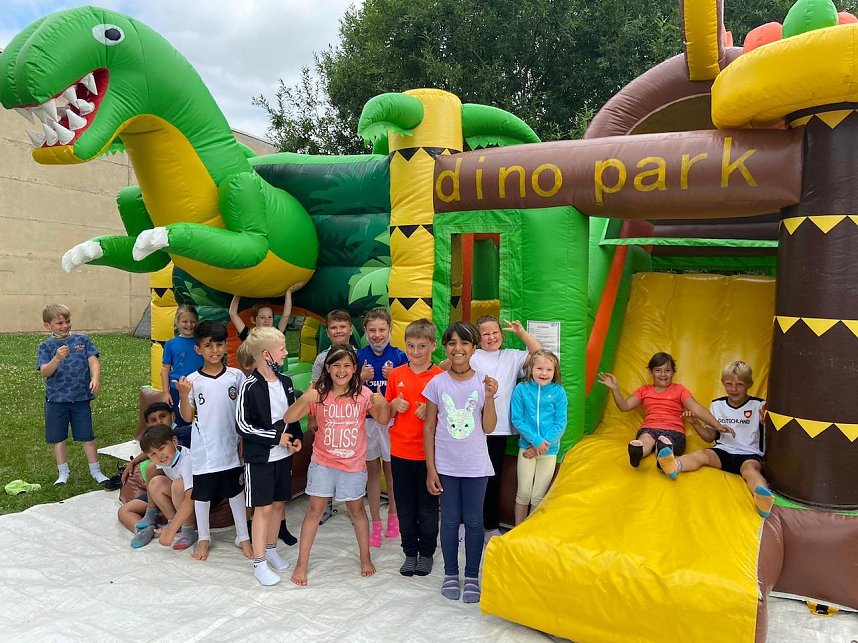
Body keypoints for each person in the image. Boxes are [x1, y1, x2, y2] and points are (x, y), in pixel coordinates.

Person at [286, 344, 387, 586]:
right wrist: (305, 399)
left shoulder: (363, 395)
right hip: (323, 463)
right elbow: (288, 418)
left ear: (355, 369)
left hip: (353, 466)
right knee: (314, 510)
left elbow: (383, 420)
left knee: (357, 511)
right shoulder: (318, 393)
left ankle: (365, 557)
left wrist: (383, 403)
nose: (342, 370)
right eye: (336, 365)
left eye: (347, 366)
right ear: (328, 368)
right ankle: (302, 563)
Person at [424, 321, 498, 604]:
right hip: (446, 467)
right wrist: (431, 468)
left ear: (473, 348)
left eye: (464, 343)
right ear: (445, 347)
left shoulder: (483, 382)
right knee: (451, 521)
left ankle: (471, 576)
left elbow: (489, 427)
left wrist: (489, 398)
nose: (458, 348)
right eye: (452, 343)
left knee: (475, 522)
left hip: (476, 466)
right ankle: (451, 574)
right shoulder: (437, 383)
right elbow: (429, 427)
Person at [656, 361, 775, 517]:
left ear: (749, 384)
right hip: (723, 451)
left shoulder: (759, 405)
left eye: (740, 384)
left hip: (749, 455)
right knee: (703, 454)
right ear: (722, 383)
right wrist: (695, 423)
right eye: (729, 384)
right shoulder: (717, 405)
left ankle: (763, 498)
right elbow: (709, 437)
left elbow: (774, 432)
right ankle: (674, 465)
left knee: (750, 470)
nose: (734, 389)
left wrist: (766, 422)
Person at [175, 320, 252, 561]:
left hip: (231, 447)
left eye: (219, 344)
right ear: (198, 349)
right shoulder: (191, 381)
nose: (215, 350)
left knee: (236, 492)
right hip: (205, 450)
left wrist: (242, 438)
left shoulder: (236, 377)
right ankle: (204, 538)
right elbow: (187, 418)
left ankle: (243, 537)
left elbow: (244, 411)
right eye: (208, 346)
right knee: (203, 495)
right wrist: (184, 394)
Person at [235, 327, 303, 586]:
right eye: (282, 348)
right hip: (260, 459)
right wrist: (275, 438)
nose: (286, 352)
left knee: (277, 505)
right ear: (266, 354)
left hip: (282, 457)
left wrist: (295, 438)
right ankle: (259, 562)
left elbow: (292, 416)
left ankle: (272, 550)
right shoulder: (248, 387)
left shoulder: (285, 383)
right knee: (262, 509)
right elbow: (243, 426)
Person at [469, 316, 542, 542]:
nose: (491, 338)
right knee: (471, 476)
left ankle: (490, 525)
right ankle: (467, 522)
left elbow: (539, 354)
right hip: (473, 427)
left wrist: (521, 333)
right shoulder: (473, 356)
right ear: (478, 339)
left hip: (499, 429)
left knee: (493, 478)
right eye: (485, 334)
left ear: (501, 334)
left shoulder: (511, 356)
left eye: (495, 333)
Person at [597, 352, 735, 468]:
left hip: (674, 431)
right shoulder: (644, 390)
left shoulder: (679, 390)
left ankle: (664, 454)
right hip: (649, 428)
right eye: (658, 370)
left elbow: (696, 408)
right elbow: (624, 406)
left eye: (667, 370)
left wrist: (717, 425)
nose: (663, 374)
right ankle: (637, 453)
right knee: (645, 439)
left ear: (673, 372)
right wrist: (615, 389)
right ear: (651, 372)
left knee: (666, 441)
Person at [384, 318, 443, 577]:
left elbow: (453, 416)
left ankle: (427, 553)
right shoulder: (397, 374)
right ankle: (409, 552)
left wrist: (432, 413)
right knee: (406, 505)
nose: (416, 352)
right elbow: (385, 411)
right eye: (411, 346)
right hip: (400, 452)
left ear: (433, 345)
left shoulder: (440, 378)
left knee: (428, 507)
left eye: (422, 346)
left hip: (429, 455)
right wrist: (393, 407)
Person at [37, 304, 109, 486]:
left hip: (81, 398)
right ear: (48, 326)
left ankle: (96, 471)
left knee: (87, 436)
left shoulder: (82, 340)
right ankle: (63, 473)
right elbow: (45, 372)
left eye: (67, 321)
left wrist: (95, 378)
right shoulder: (45, 346)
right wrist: (57, 358)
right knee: (58, 438)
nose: (65, 326)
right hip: (56, 400)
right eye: (59, 323)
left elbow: (93, 360)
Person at [357, 307, 407, 547]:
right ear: (365, 331)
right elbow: (346, 388)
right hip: (366, 423)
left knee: (392, 471)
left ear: (390, 329)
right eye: (372, 330)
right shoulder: (358, 356)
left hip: (391, 422)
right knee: (372, 472)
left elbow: (408, 390)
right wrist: (360, 379)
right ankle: (375, 520)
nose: (377, 335)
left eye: (382, 330)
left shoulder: (399, 357)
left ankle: (394, 516)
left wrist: (393, 378)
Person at [510, 349, 567, 525]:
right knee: (524, 492)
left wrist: (543, 445)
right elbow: (517, 419)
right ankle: (518, 529)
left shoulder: (558, 392)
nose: (544, 373)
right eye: (539, 368)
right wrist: (535, 442)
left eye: (549, 370)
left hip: (549, 451)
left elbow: (561, 422)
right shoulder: (522, 389)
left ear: (554, 372)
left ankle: (529, 530)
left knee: (538, 495)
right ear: (531, 369)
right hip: (526, 449)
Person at [309, 309, 354, 525]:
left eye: (342, 326)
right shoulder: (321, 359)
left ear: (350, 329)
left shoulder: (358, 355)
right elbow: (314, 389)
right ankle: (325, 504)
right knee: (325, 461)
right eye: (334, 327)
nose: (338, 331)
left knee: (353, 461)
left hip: (351, 419)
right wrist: (311, 417)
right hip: (327, 419)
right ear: (327, 332)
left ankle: (354, 504)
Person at [138, 423, 198, 551]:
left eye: (162, 448)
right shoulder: (166, 459)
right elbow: (150, 470)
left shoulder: (186, 460)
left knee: (178, 484)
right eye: (153, 454)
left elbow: (190, 497)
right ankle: (173, 522)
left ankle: (188, 530)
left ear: (174, 441)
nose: (159, 456)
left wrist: (170, 531)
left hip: (199, 498)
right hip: (182, 497)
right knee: (155, 483)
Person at [159, 305, 202, 445]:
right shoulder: (171, 344)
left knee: (198, 420)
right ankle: (183, 449)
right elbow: (165, 369)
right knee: (181, 423)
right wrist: (166, 392)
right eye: (185, 321)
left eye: (192, 321)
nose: (189, 325)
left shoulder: (201, 342)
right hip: (177, 390)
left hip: (199, 388)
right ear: (177, 322)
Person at [228, 282, 303, 341]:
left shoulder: (275, 334)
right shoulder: (249, 335)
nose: (266, 320)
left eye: (269, 317)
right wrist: (238, 294)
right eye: (262, 317)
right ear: (253, 320)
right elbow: (233, 313)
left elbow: (286, 316)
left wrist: (288, 292)